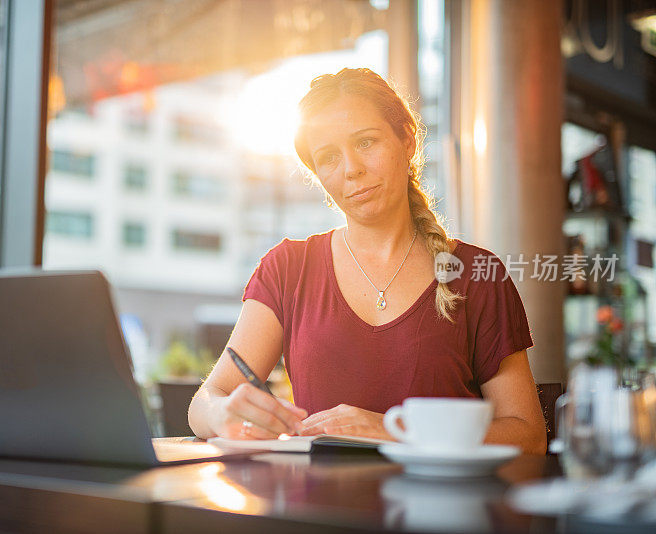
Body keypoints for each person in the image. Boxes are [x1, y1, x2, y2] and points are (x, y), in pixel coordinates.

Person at [188, 68, 547, 454]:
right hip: (316, 510)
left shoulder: (476, 274)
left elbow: (528, 435)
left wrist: (399, 431)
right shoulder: (287, 268)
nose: (351, 169)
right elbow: (207, 400)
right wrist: (222, 412)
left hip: (441, 509)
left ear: (407, 140)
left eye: (366, 142)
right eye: (328, 157)